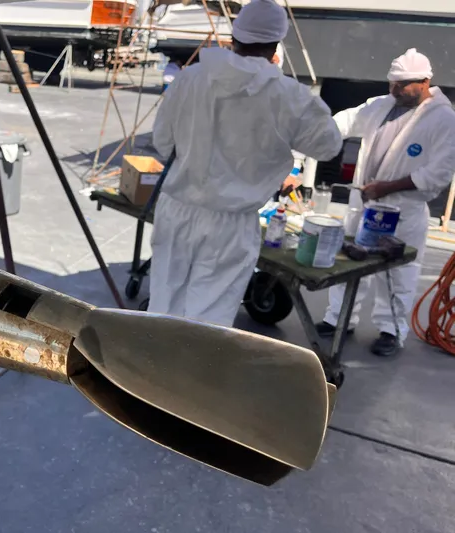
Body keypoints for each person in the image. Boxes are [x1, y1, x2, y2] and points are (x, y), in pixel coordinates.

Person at [148, 0, 342, 327]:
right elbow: (328, 145)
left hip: (177, 208)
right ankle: (190, 376)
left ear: (234, 36)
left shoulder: (191, 77)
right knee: (208, 317)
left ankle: (148, 372)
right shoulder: (288, 95)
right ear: (276, 45)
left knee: (164, 302)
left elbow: (163, 142)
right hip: (231, 223)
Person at [316, 48, 455, 356]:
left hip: (401, 211)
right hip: (364, 204)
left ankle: (391, 330)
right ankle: (339, 318)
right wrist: (316, 131)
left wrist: (388, 187)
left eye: (403, 85)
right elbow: (347, 121)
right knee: (349, 263)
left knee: (397, 273)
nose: (395, 90)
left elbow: (438, 174)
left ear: (425, 81)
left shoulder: (444, 120)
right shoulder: (382, 105)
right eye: (391, 83)